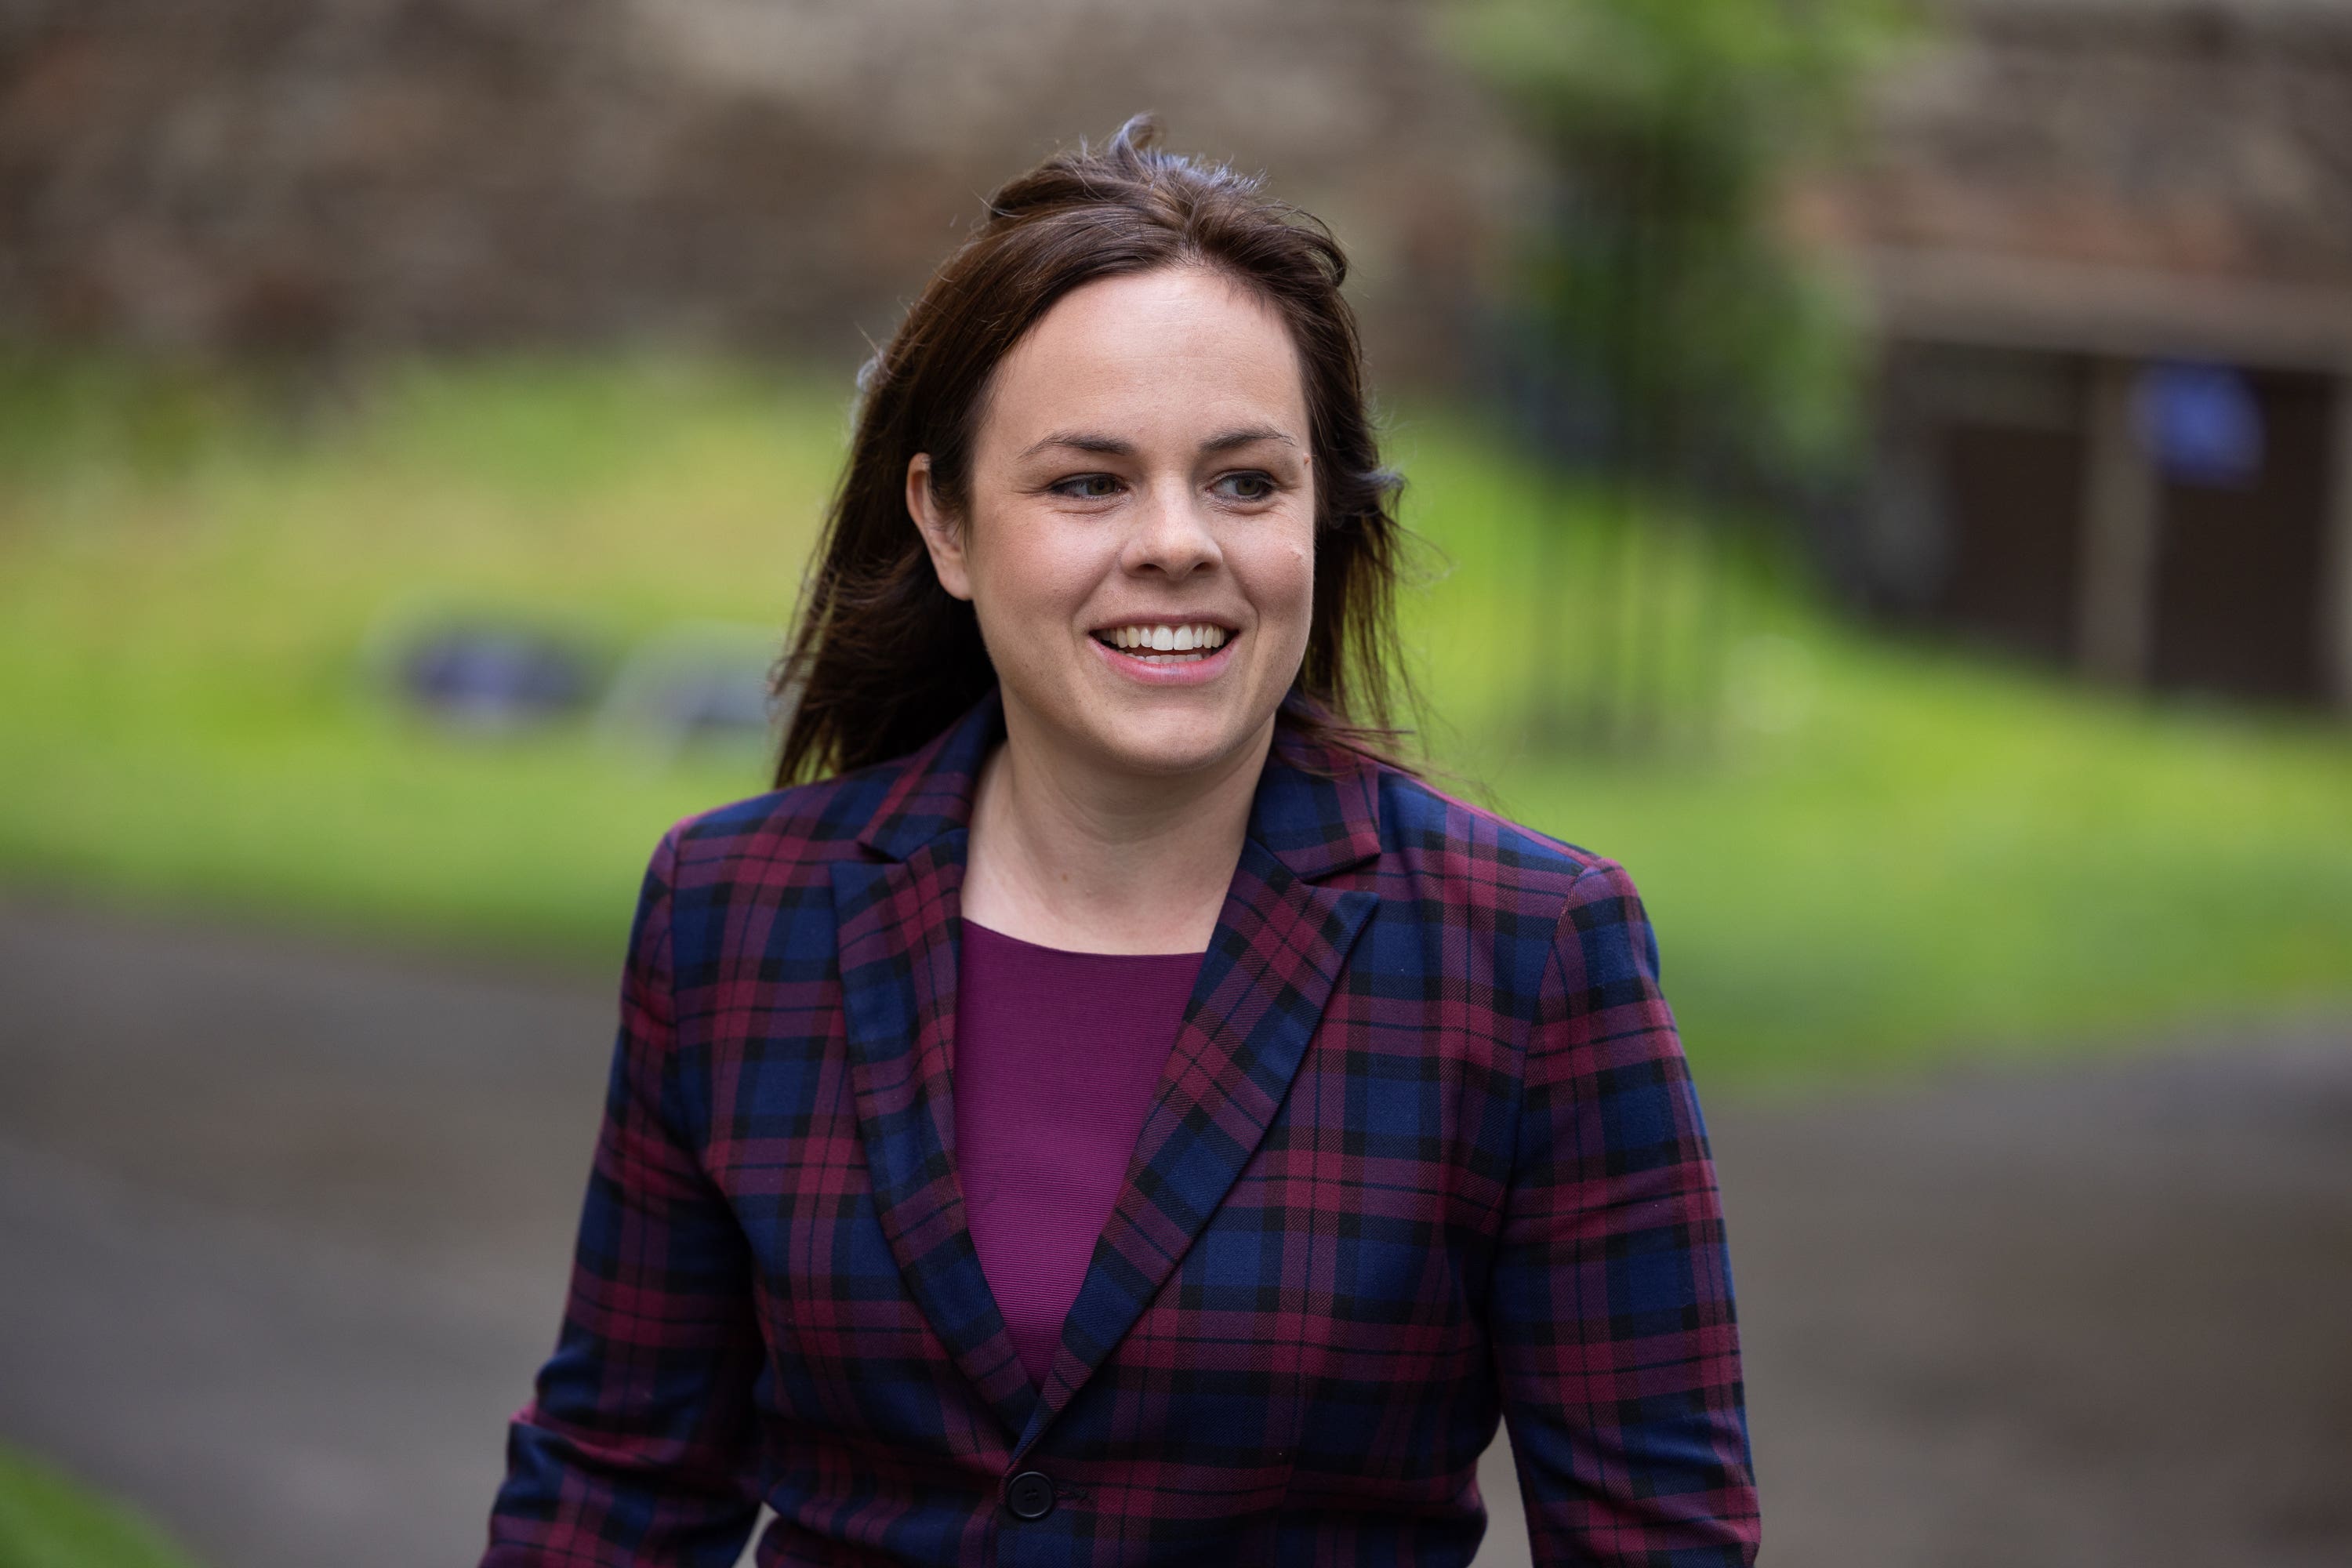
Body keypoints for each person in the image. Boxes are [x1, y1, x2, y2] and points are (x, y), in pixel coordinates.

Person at [481, 114, 1759, 1566]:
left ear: (1323, 525)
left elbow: (1659, 1540)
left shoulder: (1528, 956)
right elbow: (614, 1485)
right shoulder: (735, 912)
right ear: (947, 524)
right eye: (1087, 482)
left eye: (1245, 481)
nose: (1176, 542)